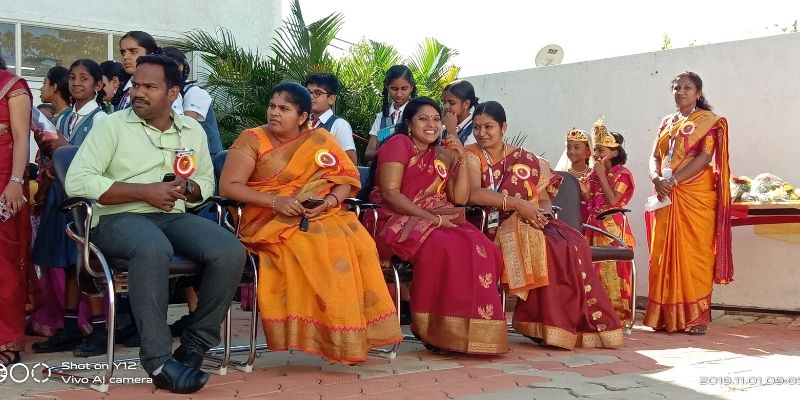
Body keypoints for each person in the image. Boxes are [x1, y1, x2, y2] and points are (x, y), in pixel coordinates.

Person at [65, 55, 245, 394]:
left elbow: (206, 182)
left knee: (229, 250)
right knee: (152, 247)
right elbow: (77, 181)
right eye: (136, 85)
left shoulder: (191, 129)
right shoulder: (112, 126)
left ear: (173, 93)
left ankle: (194, 345)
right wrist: (144, 191)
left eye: (150, 87)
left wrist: (190, 189)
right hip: (116, 218)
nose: (138, 93)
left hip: (172, 215)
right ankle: (159, 361)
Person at [220, 81, 401, 363]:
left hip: (322, 213)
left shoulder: (319, 140)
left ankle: (353, 335)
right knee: (314, 246)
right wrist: (276, 202)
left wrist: (328, 202)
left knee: (362, 245)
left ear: (302, 116)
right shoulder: (252, 138)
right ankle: (324, 335)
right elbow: (229, 186)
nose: (274, 113)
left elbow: (345, 179)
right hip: (266, 218)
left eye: (284, 109)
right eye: (272, 106)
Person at [466, 101, 623, 349]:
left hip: (532, 218)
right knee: (546, 246)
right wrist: (519, 205)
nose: (482, 133)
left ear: (503, 127)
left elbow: (543, 197)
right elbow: (474, 193)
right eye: (477, 127)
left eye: (489, 127)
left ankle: (567, 322)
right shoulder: (471, 155)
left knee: (572, 243)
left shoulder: (527, 158)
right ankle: (542, 322)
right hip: (492, 223)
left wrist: (544, 214)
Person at [370, 96, 508, 355]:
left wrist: (461, 157)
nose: (431, 124)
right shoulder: (399, 144)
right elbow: (390, 193)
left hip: (439, 217)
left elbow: (460, 198)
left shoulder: (442, 154)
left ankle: (471, 333)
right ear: (409, 124)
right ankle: (438, 331)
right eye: (423, 119)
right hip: (398, 219)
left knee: (481, 246)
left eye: (436, 119)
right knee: (448, 249)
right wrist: (432, 219)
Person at [31, 59, 109, 357]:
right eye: (73, 77)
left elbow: (97, 160)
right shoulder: (64, 118)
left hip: (85, 200)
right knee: (66, 264)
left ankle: (99, 329)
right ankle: (70, 326)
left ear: (98, 85)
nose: (77, 83)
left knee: (86, 263)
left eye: (85, 78)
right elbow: (54, 154)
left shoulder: (101, 120)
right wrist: (51, 165)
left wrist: (64, 150)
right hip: (61, 196)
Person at [644, 71, 732, 335]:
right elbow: (654, 156)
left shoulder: (708, 121)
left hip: (695, 195)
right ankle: (663, 316)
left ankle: (696, 317)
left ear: (698, 93)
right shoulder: (667, 121)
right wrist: (656, 178)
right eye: (676, 87)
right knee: (663, 253)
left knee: (696, 254)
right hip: (666, 194)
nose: (681, 91)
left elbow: (705, 157)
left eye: (687, 87)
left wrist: (674, 181)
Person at [0, 55, 35, 367]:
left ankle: (7, 340)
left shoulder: (12, 86)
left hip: (4, 183)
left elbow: (22, 138)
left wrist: (15, 182)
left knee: (5, 264)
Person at [584, 119, 635, 326]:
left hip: (612, 228)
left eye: (601, 150)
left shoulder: (623, 174)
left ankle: (617, 316)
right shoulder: (594, 175)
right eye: (595, 149)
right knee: (591, 271)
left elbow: (613, 201)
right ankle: (594, 314)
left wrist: (601, 175)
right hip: (592, 226)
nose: (596, 154)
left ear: (614, 153)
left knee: (612, 270)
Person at [163, 47, 223, 157]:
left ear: (180, 67)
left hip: (207, 156)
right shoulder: (168, 91)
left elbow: (185, 126)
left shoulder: (195, 92)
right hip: (182, 153)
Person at [116, 31, 182, 114]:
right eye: (123, 53)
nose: (125, 57)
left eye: (133, 52)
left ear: (151, 54)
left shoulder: (165, 90)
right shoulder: (125, 87)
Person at [363, 65, 416, 163]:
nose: (399, 94)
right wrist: (391, 152)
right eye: (394, 89)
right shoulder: (381, 117)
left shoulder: (417, 115)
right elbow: (368, 153)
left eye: (404, 89)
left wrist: (383, 151)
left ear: (411, 87)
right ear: (387, 87)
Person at [304, 72, 357, 164]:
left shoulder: (339, 125)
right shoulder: (303, 121)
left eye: (317, 93)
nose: (310, 97)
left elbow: (351, 160)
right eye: (308, 92)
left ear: (331, 99)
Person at [554, 128, 593, 223]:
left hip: (589, 219)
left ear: (588, 151)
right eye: (569, 147)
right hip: (567, 218)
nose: (571, 151)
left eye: (576, 147)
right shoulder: (562, 176)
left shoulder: (594, 175)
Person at [441, 80, 478, 145]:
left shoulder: (476, 130)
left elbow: (462, 151)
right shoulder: (443, 128)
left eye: (452, 103)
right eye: (444, 102)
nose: (446, 107)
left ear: (466, 104)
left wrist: (452, 131)